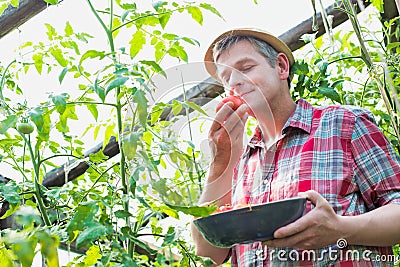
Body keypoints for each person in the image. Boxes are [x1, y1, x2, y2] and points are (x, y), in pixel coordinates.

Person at [190, 28, 400, 266]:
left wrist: (341, 229)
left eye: (246, 68)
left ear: (281, 67)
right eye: (226, 78)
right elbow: (209, 251)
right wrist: (220, 161)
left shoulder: (344, 124)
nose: (235, 82)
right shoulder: (240, 162)